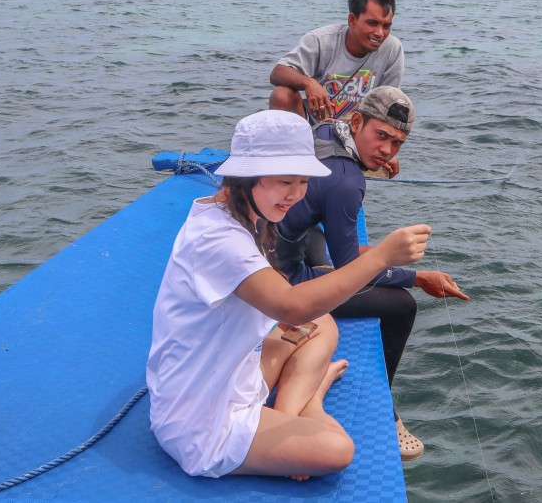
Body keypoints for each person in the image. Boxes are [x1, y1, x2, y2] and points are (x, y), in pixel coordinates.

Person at [146, 110, 431, 479]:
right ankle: (309, 400)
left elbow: (289, 306)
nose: (296, 195)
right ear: (245, 177)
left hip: (233, 372)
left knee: (323, 322)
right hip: (199, 418)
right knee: (337, 450)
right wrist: (380, 257)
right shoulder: (218, 239)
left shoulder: (239, 212)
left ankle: (286, 413)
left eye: (303, 181)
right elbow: (292, 307)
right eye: (285, 181)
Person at [274, 86, 469, 462]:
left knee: (326, 239)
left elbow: (345, 242)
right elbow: (352, 269)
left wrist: (384, 257)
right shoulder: (348, 182)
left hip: (281, 241)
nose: (387, 151)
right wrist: (417, 277)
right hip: (280, 281)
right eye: (381, 137)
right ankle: (386, 408)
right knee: (400, 305)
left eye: (397, 144)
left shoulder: (327, 130)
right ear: (358, 122)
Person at [269, 0, 404, 126]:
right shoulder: (321, 40)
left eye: (386, 26)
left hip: (356, 131)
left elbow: (389, 102)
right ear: (352, 20)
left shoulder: (392, 49)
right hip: (312, 126)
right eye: (372, 23)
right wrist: (309, 83)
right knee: (282, 95)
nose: (379, 33)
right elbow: (278, 72)